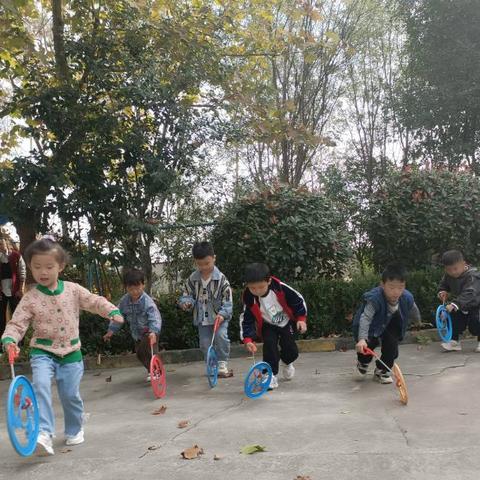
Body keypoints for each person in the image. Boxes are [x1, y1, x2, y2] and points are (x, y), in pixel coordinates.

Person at [1, 237, 123, 456]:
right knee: (40, 386)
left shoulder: (72, 290)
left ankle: (75, 428)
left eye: (49, 266)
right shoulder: (30, 298)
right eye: (37, 267)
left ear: (61, 266)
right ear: (30, 267)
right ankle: (44, 433)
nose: (43, 272)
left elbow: (93, 301)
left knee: (70, 395)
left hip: (71, 352)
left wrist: (111, 311)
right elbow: (17, 323)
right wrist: (9, 339)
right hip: (42, 351)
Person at [240, 263, 307, 390]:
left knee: (290, 349)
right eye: (252, 288)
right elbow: (246, 319)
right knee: (269, 346)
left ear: (269, 281)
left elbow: (298, 301)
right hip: (268, 325)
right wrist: (248, 339)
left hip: (286, 323)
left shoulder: (281, 288)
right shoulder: (249, 297)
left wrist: (301, 319)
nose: (257, 291)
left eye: (261, 287)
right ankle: (270, 376)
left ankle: (287, 362)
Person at [353, 263, 421, 383]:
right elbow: (366, 318)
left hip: (392, 323)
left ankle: (382, 371)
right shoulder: (375, 298)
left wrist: (418, 321)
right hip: (373, 325)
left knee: (392, 346)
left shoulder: (406, 297)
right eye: (392, 287)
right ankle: (363, 362)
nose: (396, 292)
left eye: (400, 288)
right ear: (382, 285)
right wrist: (362, 339)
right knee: (367, 344)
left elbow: (413, 308)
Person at [179, 241, 233, 377]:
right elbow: (186, 294)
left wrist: (222, 314)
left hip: (219, 318)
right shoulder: (193, 278)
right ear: (195, 262)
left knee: (221, 337)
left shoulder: (221, 279)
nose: (204, 267)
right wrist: (186, 303)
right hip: (202, 319)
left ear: (214, 258)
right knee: (204, 343)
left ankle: (222, 362)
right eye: (199, 264)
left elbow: (228, 301)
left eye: (207, 263)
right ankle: (211, 363)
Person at [103, 268, 162, 380]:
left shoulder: (147, 301)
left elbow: (155, 317)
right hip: (136, 334)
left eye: (137, 288)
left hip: (149, 332)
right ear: (126, 288)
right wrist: (111, 331)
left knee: (147, 350)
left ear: (143, 285)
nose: (134, 291)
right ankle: (152, 370)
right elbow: (118, 315)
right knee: (140, 354)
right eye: (131, 289)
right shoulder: (124, 301)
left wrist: (153, 331)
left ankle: (156, 371)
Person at [437, 250, 480, 352]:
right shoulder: (448, 276)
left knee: (476, 322)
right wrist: (442, 292)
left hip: (476, 304)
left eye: (455, 268)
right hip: (460, 305)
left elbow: (470, 293)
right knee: (452, 318)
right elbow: (443, 285)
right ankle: (454, 341)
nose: (452, 272)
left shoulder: (473, 275)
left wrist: (455, 303)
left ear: (464, 264)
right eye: (449, 269)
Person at [0, 237, 26, 336]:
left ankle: (18, 339)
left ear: (7, 244)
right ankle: (2, 341)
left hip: (15, 291)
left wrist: (21, 289)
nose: (1, 246)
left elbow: (22, 272)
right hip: (2, 292)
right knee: (1, 318)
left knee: (16, 316)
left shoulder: (16, 255)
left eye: (2, 244)